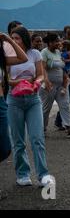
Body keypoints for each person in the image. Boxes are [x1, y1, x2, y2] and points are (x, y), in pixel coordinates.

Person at [7, 26, 55, 187]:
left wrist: (37, 82)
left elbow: (40, 74)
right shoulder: (7, 56)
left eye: (17, 38)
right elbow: (6, 80)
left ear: (24, 39)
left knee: (37, 138)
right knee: (18, 140)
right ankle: (23, 173)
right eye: (12, 38)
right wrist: (21, 82)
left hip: (33, 98)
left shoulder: (35, 54)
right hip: (14, 100)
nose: (14, 41)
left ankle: (43, 174)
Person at [0, 30, 28, 190]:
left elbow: (23, 58)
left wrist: (8, 39)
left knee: (4, 148)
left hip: (1, 103)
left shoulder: (2, 61)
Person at [40, 33, 70, 138]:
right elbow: (42, 68)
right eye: (56, 41)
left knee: (65, 105)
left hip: (61, 84)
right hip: (49, 86)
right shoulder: (44, 53)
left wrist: (65, 79)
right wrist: (46, 81)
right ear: (50, 43)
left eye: (59, 41)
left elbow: (61, 68)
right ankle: (42, 129)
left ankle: (69, 128)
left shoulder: (58, 52)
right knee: (46, 108)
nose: (59, 43)